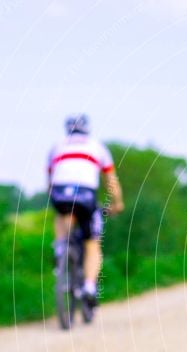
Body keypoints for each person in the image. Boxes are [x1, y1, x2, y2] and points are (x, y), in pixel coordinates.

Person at [48, 114, 124, 307]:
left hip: (59, 193)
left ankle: (60, 248)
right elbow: (111, 182)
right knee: (92, 243)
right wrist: (117, 203)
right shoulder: (97, 147)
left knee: (62, 213)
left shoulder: (56, 146)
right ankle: (90, 286)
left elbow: (49, 180)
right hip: (86, 194)